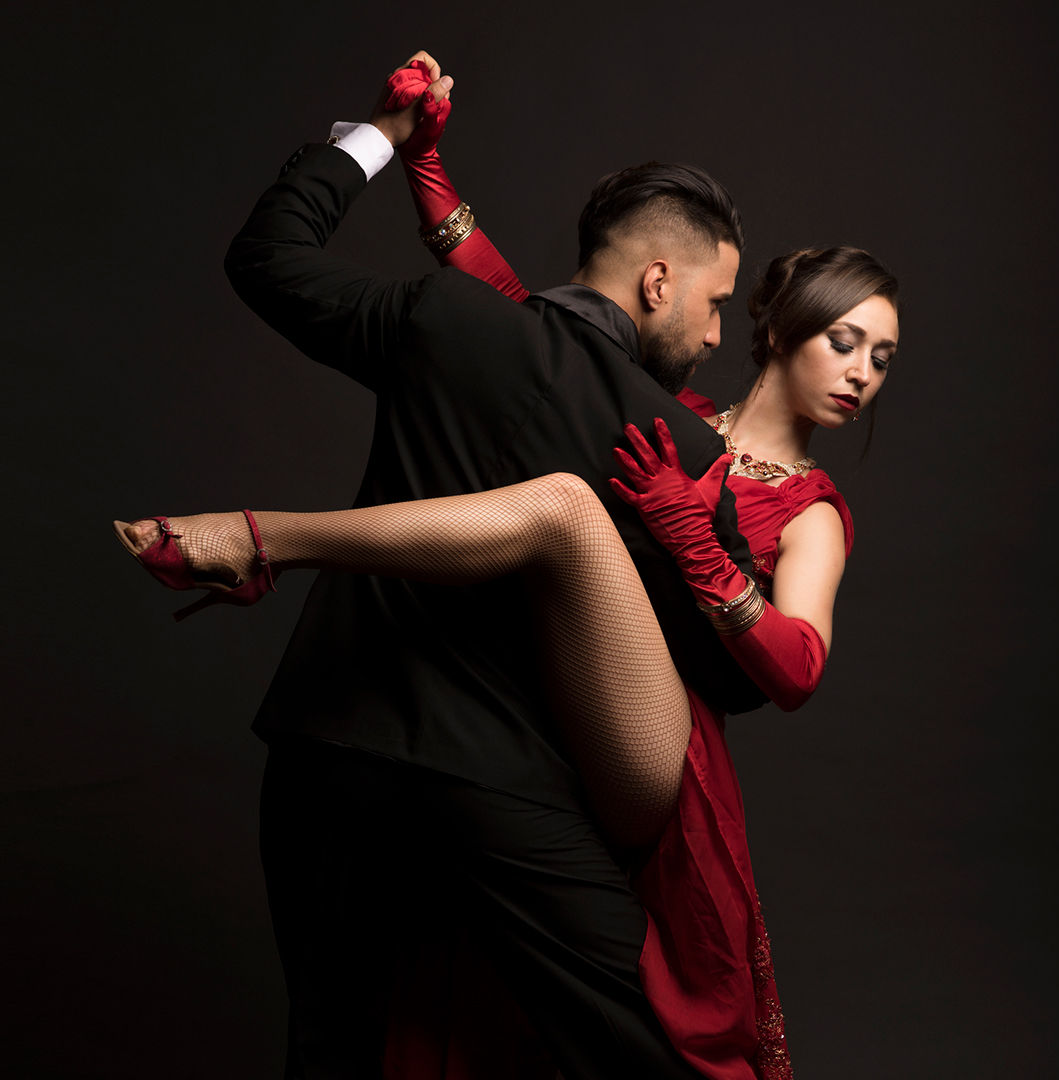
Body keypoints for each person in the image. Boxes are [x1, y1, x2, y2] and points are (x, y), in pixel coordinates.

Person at [143, 49, 775, 1080]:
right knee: (644, 1055)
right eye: (714, 303)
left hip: (329, 744)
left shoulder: (442, 317)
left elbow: (265, 257)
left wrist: (385, 139)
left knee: (332, 1053)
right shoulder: (675, 444)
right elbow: (731, 685)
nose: (714, 335)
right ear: (659, 281)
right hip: (504, 783)